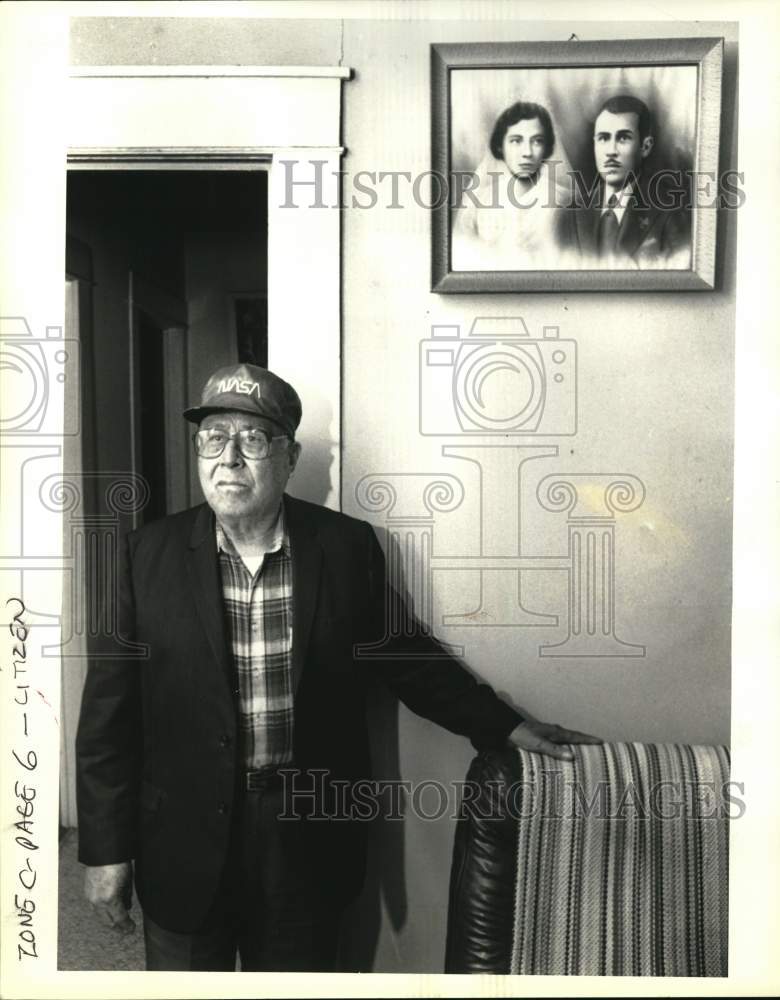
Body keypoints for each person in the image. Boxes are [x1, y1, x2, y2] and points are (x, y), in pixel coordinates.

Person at [76, 362, 601, 972]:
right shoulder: (144, 556)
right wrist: (106, 851)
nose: (230, 460)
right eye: (213, 438)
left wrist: (504, 726)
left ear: (290, 457)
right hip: (182, 840)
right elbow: (106, 719)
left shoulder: (346, 549)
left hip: (305, 837)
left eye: (253, 440)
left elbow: (410, 660)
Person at [452, 100, 579, 270]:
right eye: (516, 141)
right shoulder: (480, 201)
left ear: (548, 148)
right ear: (500, 147)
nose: (527, 152)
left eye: (536, 141)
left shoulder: (565, 202)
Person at [575, 94, 691, 269]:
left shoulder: (670, 215)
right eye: (603, 138)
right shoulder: (573, 213)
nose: (611, 151)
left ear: (645, 147)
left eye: (623, 138)